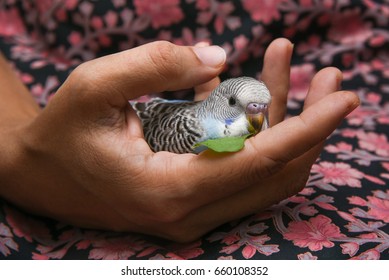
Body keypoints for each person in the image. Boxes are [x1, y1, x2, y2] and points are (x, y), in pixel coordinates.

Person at [0, 36, 359, 242]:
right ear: (222, 100)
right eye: (244, 107)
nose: (255, 118)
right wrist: (22, 153)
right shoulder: (192, 131)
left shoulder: (249, 123)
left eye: (259, 110)